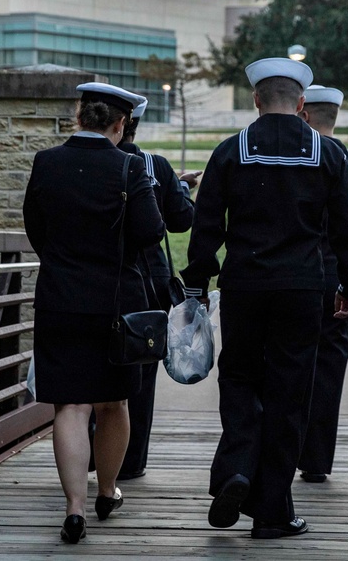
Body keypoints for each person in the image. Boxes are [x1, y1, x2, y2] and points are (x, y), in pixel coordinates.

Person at [181, 58, 348, 539]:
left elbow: (206, 227)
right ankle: (272, 512)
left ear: (257, 101)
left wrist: (197, 284)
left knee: (240, 378)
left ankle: (237, 467)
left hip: (244, 286)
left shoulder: (229, 152)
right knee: (290, 394)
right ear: (302, 104)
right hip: (303, 289)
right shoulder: (327, 155)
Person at [23, 82, 165, 544]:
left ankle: (74, 509)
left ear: (79, 116)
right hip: (116, 305)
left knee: (71, 403)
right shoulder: (130, 167)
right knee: (114, 402)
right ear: (121, 125)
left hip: (60, 299)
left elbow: (34, 227)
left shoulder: (46, 162)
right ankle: (107, 491)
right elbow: (149, 232)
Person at [296, 85, 348, 483]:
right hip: (334, 280)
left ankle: (282, 451)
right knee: (328, 370)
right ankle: (316, 461)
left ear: (303, 115)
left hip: (293, 276)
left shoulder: (290, 161)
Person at [114, 98, 201, 481]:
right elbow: (181, 221)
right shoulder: (154, 166)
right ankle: (130, 462)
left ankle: (89, 452)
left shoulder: (84, 162)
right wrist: (179, 188)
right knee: (140, 374)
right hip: (147, 284)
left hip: (95, 282)